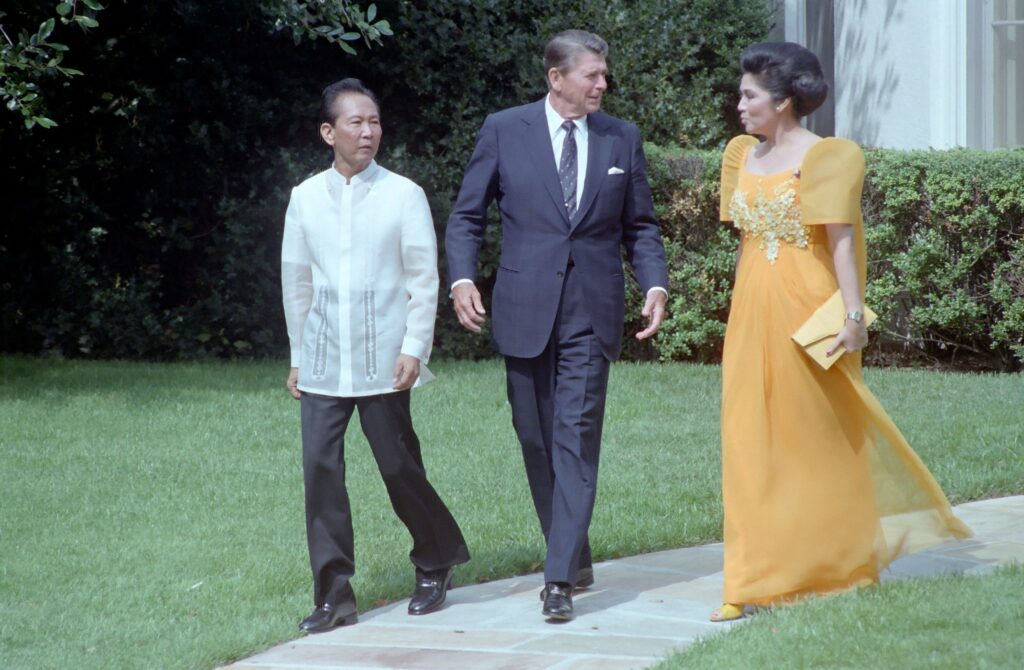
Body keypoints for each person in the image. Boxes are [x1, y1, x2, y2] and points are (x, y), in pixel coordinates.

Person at [712, 42, 972, 622]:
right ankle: (748, 579)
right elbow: (747, 247)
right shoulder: (740, 156)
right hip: (752, 314)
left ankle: (839, 566)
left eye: (749, 95)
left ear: (782, 102)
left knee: (819, 441)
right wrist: (736, 313)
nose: (739, 104)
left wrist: (854, 319)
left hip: (812, 313)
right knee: (747, 441)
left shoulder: (830, 156)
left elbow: (843, 242)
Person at [445, 30, 669, 621]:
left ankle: (558, 579)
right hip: (522, 308)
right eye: (592, 74)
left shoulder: (623, 136)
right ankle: (576, 552)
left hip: (591, 314)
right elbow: (467, 215)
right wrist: (462, 279)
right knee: (535, 439)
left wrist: (654, 284)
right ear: (556, 78)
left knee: (574, 439)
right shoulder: (504, 129)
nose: (602, 84)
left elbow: (641, 226)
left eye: (603, 75)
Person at [281, 78, 470, 633]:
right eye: (356, 123)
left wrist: (415, 347)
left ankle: (436, 558)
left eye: (375, 122)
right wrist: (297, 355)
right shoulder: (304, 197)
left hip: (385, 358)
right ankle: (333, 594)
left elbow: (422, 278)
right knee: (320, 473)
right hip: (321, 361)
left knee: (398, 465)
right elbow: (296, 282)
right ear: (327, 132)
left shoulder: (403, 193)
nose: (368, 132)